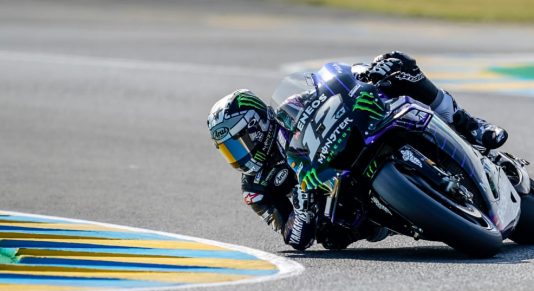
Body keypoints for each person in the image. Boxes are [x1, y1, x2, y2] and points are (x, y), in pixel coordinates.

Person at [207, 51, 508, 250]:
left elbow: (332, 86)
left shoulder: (291, 107)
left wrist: (363, 76)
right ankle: (413, 209)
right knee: (330, 239)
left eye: (238, 142)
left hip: (351, 144)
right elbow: (293, 239)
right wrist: (301, 209)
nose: (238, 154)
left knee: (396, 64)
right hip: (346, 210)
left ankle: (470, 125)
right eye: (228, 150)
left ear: (257, 125)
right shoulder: (256, 188)